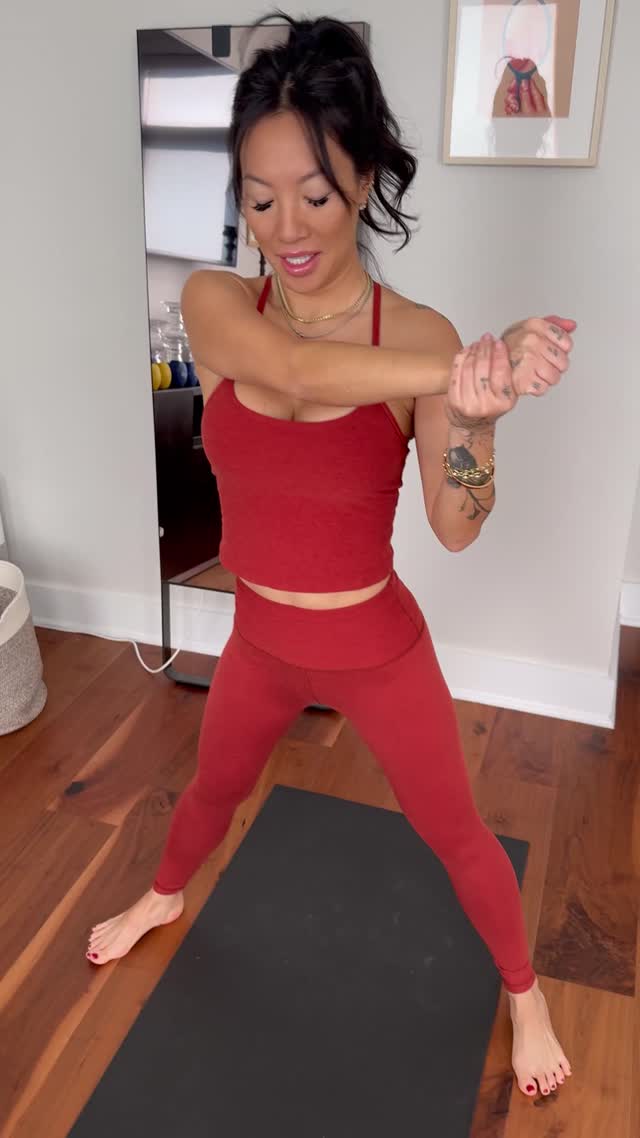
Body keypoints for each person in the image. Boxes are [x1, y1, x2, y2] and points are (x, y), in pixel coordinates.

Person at [87, 10, 576, 1101]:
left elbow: (457, 524)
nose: (285, 227)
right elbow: (296, 372)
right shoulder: (216, 303)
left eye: (313, 193)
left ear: (363, 177)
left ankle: (526, 991)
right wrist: (460, 372)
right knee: (211, 788)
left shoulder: (422, 338)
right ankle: (165, 891)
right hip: (259, 639)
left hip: (373, 645)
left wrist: (477, 416)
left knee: (455, 833)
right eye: (258, 199)